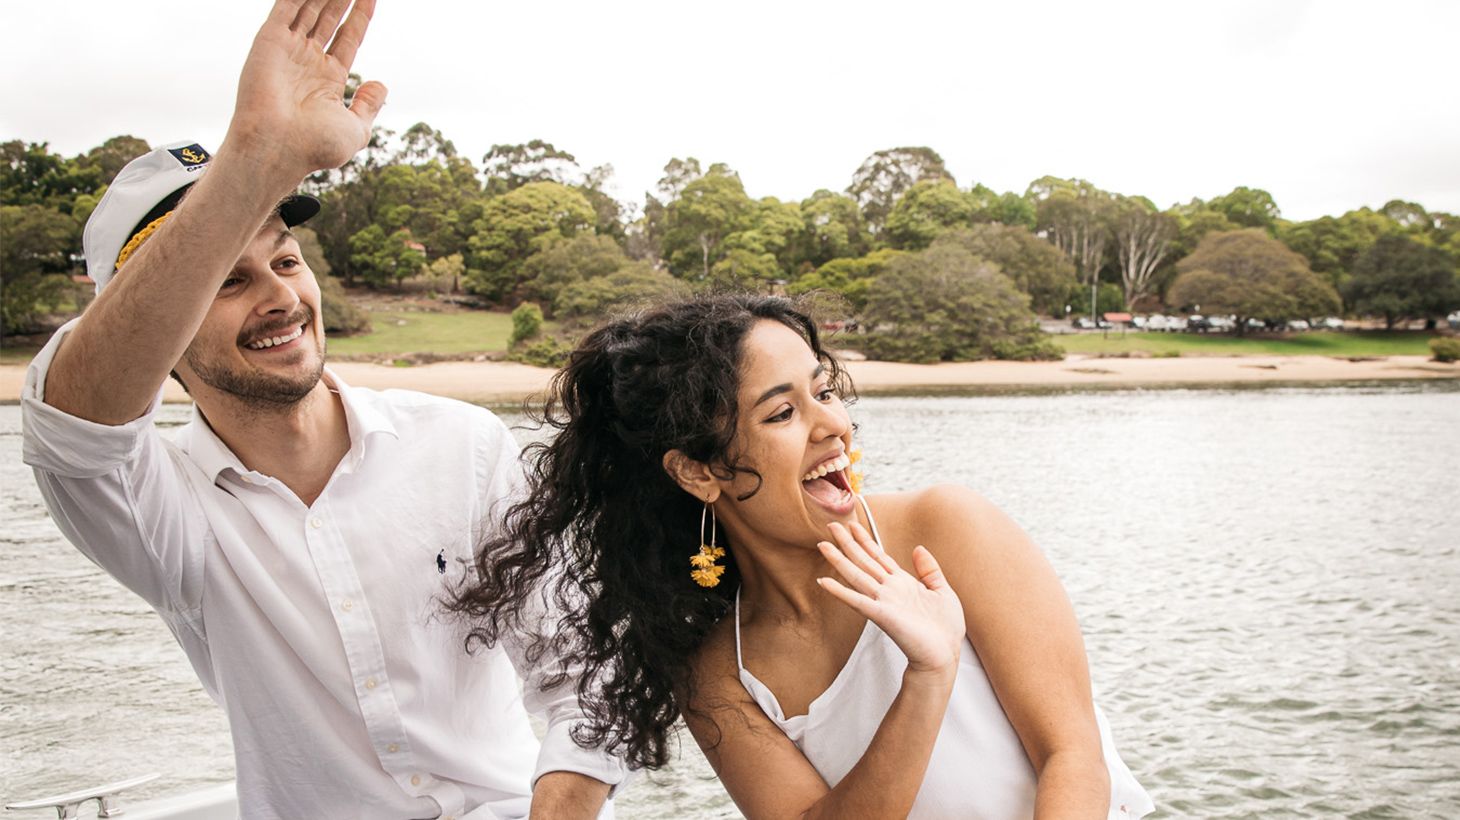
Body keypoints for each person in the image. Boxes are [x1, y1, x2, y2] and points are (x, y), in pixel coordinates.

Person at [20, 1, 625, 817]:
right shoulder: (159, 511)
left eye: (286, 260)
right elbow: (73, 428)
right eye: (227, 280)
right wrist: (255, 157)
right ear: (157, 320)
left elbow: (584, 668)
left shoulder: (464, 445)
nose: (279, 297)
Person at [452, 294, 1155, 819]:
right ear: (701, 472)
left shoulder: (945, 528)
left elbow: (1074, 755)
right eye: (782, 413)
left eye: (823, 391)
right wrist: (928, 675)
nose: (834, 425)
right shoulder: (713, 670)